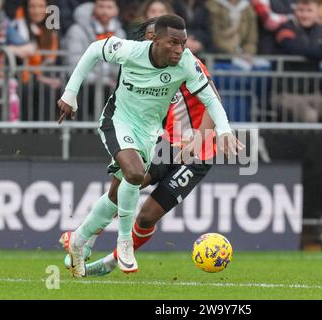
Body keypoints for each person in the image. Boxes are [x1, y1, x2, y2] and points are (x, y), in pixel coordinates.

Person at [57, 14, 240, 277]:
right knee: (128, 182)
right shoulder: (135, 54)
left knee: (145, 216)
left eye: (182, 43)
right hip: (162, 140)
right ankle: (87, 239)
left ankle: (106, 258)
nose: (177, 49)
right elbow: (96, 50)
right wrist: (70, 93)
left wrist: (205, 138)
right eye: (169, 42)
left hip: (196, 151)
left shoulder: (187, 63)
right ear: (152, 39)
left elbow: (213, 100)